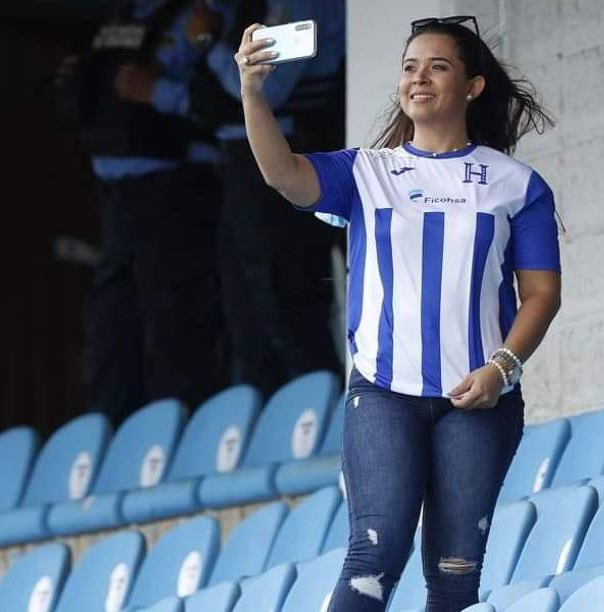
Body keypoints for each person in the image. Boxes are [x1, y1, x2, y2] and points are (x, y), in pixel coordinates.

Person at [237, 15, 562, 609]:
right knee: (374, 555)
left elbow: (541, 293)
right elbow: (282, 175)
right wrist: (253, 92)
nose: (419, 78)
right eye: (410, 67)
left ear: (473, 86)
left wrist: (502, 367)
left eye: (438, 66)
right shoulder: (366, 171)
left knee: (456, 571)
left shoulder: (517, 184)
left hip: (480, 399)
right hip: (384, 394)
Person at [57, 0, 226, 416]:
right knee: (110, 331)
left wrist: (156, 92)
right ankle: (117, 447)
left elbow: (224, 104)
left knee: (175, 329)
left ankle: (179, 444)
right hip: (115, 198)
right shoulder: (116, 17)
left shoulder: (202, 13)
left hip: (175, 195)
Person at [184, 0, 347, 394]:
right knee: (246, 316)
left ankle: (316, 423)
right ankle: (273, 434)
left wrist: (210, 43)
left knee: (286, 305)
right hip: (235, 168)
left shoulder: (300, 4)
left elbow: (268, 88)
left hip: (285, 159)